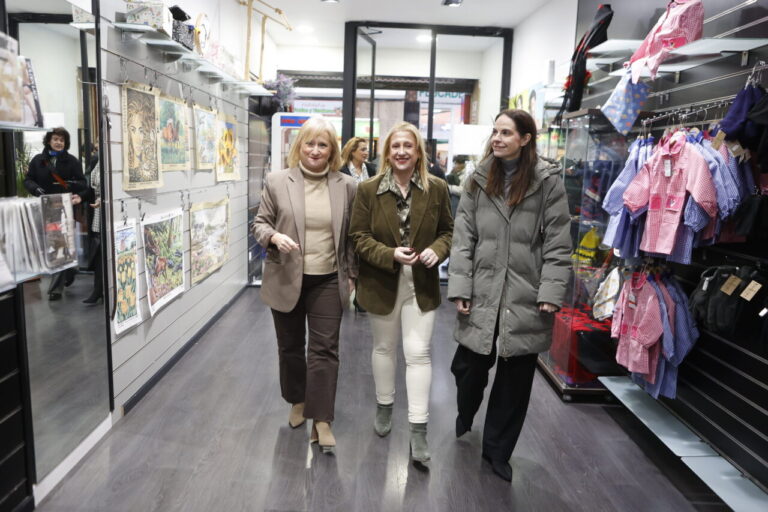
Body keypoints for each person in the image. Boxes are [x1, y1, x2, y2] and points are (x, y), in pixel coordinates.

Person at [447, 109, 571, 482]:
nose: (497, 139)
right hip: (482, 288)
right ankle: (466, 410)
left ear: (525, 139)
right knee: (467, 367)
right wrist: (460, 288)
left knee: (514, 381)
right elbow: (463, 238)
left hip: (526, 293)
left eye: (505, 133)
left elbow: (558, 243)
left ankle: (498, 452)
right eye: (495, 132)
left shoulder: (548, 182)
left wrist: (550, 291)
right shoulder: (478, 179)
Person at [252, 117, 358, 454]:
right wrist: (273, 236)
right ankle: (297, 399)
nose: (315, 150)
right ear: (299, 146)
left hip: (328, 278)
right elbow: (260, 223)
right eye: (309, 143)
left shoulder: (347, 185)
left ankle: (322, 418)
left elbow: (353, 237)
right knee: (290, 347)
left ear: (332, 150)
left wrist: (352, 274)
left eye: (323, 144)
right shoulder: (277, 181)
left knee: (325, 350)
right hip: (286, 276)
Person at [349, 121, 453, 464]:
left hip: (421, 284)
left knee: (418, 351)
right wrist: (390, 254)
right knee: (383, 347)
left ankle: (418, 430)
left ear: (418, 151)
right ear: (387, 152)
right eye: (396, 146)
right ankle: (384, 406)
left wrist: (438, 250)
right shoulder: (368, 190)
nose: (402, 152)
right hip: (382, 280)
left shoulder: (436, 188)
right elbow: (359, 237)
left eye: (408, 146)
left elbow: (448, 232)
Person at [24, 127, 88, 300]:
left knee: (58, 245)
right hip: (44, 207)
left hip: (64, 208)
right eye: (55, 139)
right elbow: (28, 179)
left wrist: (71, 188)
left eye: (62, 140)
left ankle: (55, 289)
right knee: (53, 245)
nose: (59, 142)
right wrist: (36, 189)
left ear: (65, 143)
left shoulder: (72, 161)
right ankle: (70, 270)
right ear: (49, 141)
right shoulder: (38, 160)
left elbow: (83, 184)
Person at [83, 147, 103, 305]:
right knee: (98, 252)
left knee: (105, 252)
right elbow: (89, 185)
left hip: (108, 209)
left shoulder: (112, 158)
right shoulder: (97, 159)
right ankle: (98, 290)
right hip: (97, 209)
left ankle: (100, 290)